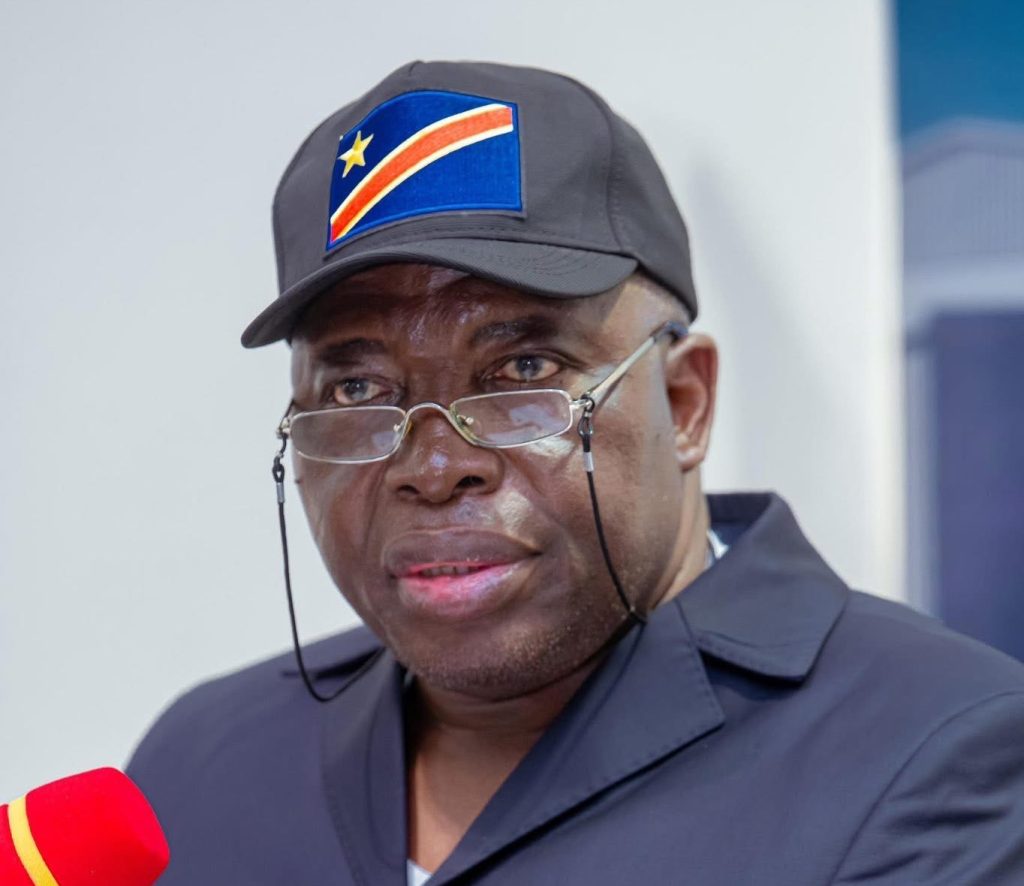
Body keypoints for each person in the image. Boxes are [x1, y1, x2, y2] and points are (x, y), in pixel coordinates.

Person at [127, 61, 1024, 885]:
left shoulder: (932, 751)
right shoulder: (202, 766)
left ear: (684, 403)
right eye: (356, 388)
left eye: (523, 371)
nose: (433, 468)